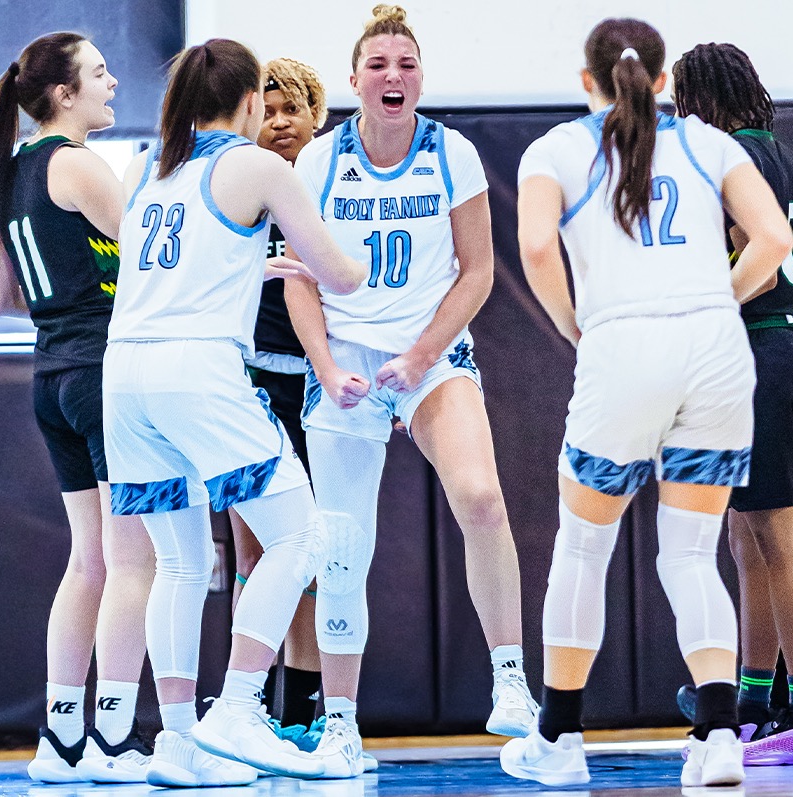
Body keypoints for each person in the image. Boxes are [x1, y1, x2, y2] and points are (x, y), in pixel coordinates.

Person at [499, 18, 793, 788]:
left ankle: (560, 741)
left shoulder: (555, 149)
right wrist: (715, 300)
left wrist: (575, 323)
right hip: (715, 349)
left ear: (585, 81)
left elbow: (534, 248)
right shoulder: (710, 143)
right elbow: (772, 240)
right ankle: (722, 738)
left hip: (624, 346)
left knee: (583, 546)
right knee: (693, 553)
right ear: (663, 81)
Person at [286, 4, 537, 778]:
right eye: (380, 64)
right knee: (341, 547)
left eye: (407, 63)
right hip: (347, 364)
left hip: (429, 357)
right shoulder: (318, 162)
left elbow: (478, 271)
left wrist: (423, 352)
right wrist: (328, 369)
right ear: (355, 79)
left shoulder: (450, 152)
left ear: (420, 78)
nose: (394, 75)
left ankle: (511, 681)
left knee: (483, 497)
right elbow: (298, 281)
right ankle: (338, 724)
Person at [106, 36, 365, 783]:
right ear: (252, 101)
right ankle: (240, 704)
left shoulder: (147, 168)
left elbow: (181, 262)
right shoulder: (256, 164)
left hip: (125, 375)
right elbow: (342, 274)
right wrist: (336, 262)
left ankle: (179, 745)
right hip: (199, 372)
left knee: (182, 562)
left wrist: (259, 260)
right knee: (304, 535)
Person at [669, 42, 793, 765]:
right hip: (788, 349)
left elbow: (738, 248)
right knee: (747, 533)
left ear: (696, 101)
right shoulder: (788, 159)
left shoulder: (719, 160)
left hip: (750, 347)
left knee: (776, 532)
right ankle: (756, 698)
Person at [0, 31, 156, 784]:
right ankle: (115, 740)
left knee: (88, 561)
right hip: (103, 372)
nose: (114, 82)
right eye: (100, 73)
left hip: (51, 376)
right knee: (132, 562)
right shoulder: (77, 163)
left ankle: (62, 740)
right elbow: (156, 256)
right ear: (64, 95)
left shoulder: (5, 175)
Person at [229, 56, 327, 738]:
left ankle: (306, 709)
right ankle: (247, 705)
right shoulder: (238, 190)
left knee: (315, 551)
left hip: (320, 383)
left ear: (318, 117)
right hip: (251, 385)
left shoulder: (334, 188)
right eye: (267, 111)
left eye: (292, 108)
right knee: (253, 555)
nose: (280, 122)